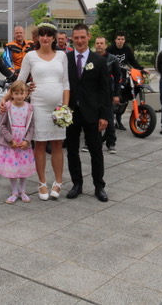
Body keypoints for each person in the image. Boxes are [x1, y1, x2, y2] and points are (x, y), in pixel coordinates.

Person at [17, 23, 69, 201]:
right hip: (38, 106)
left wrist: (65, 108)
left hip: (58, 107)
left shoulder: (62, 56)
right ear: (38, 38)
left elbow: (66, 83)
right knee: (39, 144)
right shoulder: (30, 56)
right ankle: (42, 182)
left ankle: (58, 181)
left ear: (54, 38)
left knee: (57, 144)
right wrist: (24, 89)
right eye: (42, 35)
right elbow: (20, 81)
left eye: (48, 35)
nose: (45, 38)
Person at [66, 24, 112, 202]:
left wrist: (105, 116)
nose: (79, 41)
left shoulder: (98, 61)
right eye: (76, 37)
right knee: (72, 151)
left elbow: (105, 90)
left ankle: (99, 186)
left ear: (89, 37)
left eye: (82, 37)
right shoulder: (66, 59)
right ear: (72, 38)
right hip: (71, 113)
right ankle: (76, 184)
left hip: (93, 113)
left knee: (96, 152)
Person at [0, 80, 36, 203]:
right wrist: (10, 139)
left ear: (26, 93)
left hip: (23, 143)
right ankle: (14, 191)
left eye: (22, 93)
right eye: (16, 93)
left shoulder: (30, 108)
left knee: (23, 167)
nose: (19, 96)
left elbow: (31, 126)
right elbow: (1, 125)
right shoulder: (7, 106)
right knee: (12, 167)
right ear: (11, 94)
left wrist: (27, 140)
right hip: (11, 143)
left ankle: (22, 191)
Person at [107, 31, 145, 131]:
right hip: (111, 77)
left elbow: (133, 61)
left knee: (123, 98)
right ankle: (111, 120)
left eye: (122, 39)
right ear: (115, 40)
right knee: (112, 99)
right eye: (118, 39)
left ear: (124, 40)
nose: (120, 41)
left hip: (123, 77)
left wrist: (141, 69)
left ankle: (118, 121)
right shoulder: (110, 49)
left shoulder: (127, 49)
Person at [94, 36, 121, 154]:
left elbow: (118, 78)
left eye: (101, 43)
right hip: (93, 94)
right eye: (97, 43)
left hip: (107, 93)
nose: (99, 45)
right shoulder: (90, 57)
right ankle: (92, 142)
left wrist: (116, 94)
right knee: (92, 119)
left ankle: (111, 143)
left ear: (105, 45)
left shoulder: (112, 59)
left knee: (109, 118)